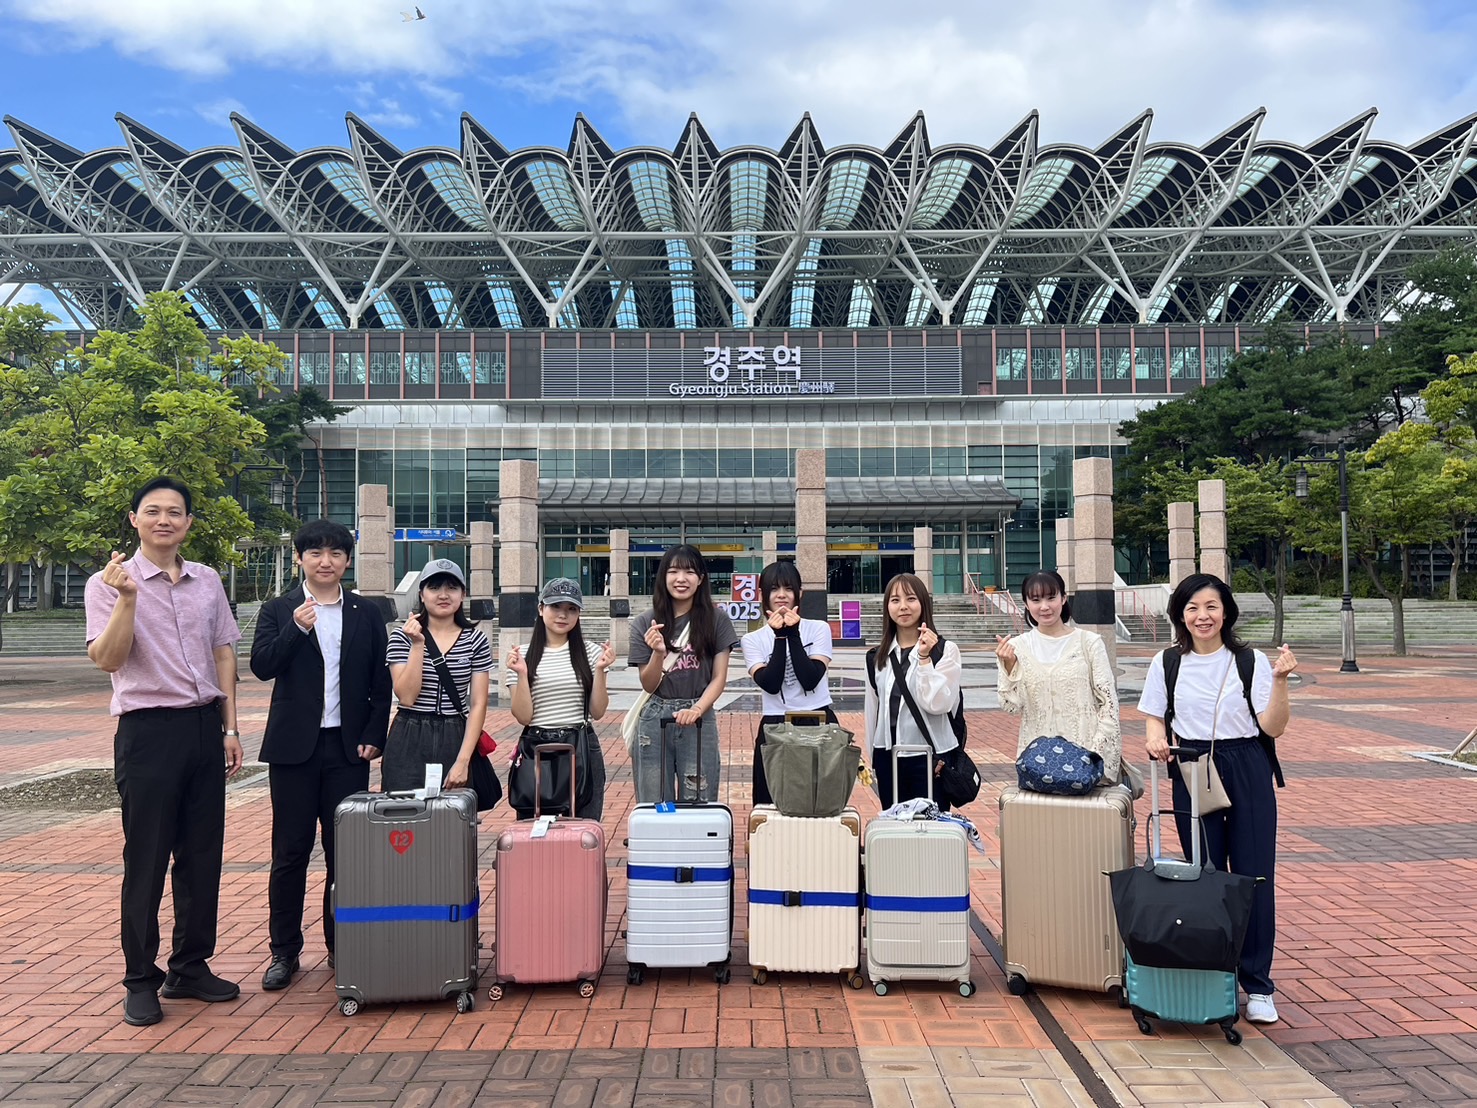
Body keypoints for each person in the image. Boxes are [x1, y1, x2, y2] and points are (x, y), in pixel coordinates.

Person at [84, 476, 243, 1028]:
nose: (164, 520)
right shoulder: (107, 583)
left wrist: (230, 728)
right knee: (147, 860)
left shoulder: (207, 580)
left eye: (175, 512)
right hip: (147, 733)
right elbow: (108, 658)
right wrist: (128, 599)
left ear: (188, 523)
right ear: (134, 520)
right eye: (152, 511)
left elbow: (223, 654)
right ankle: (139, 979)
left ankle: (190, 966)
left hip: (204, 728)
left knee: (202, 858)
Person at [1137, 572, 1296, 1026]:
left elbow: (1272, 727)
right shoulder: (1167, 661)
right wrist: (1155, 739)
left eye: (1210, 607)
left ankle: (1258, 983)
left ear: (1226, 611)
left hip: (1245, 764)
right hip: (1191, 766)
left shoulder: (1250, 660)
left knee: (1253, 874)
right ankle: (1216, 971)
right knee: (1203, 873)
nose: (1201, 616)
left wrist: (1281, 681)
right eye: (1192, 608)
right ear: (1180, 615)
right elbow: (1154, 715)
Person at [249, 519, 391, 991]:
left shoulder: (367, 612)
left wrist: (375, 735)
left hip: (348, 748)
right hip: (293, 750)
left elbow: (380, 680)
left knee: (345, 853)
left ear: (347, 561)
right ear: (299, 559)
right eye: (315, 553)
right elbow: (262, 666)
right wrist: (294, 629)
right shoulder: (279, 609)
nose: (325, 561)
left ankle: (341, 945)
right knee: (289, 853)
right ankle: (283, 952)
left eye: (334, 553)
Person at [627, 544, 739, 803]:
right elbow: (648, 683)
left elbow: (718, 677)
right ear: (663, 577)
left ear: (700, 579)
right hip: (655, 717)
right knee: (656, 802)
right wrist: (657, 652)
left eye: (689, 572)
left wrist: (698, 709)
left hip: (699, 716)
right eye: (673, 571)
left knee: (698, 800)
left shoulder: (716, 620)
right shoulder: (646, 622)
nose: (681, 579)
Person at [505, 577, 616, 820]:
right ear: (541, 608)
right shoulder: (521, 655)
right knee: (534, 830)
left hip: (581, 746)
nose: (562, 615)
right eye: (555, 606)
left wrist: (599, 671)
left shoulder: (592, 652)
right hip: (537, 747)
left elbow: (597, 712)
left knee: (584, 828)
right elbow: (523, 716)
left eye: (571, 609)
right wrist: (522, 675)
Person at [995, 570, 1121, 782]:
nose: (1044, 606)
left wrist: (1094, 755)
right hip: (1037, 763)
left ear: (1063, 598)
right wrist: (1010, 668)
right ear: (1026, 604)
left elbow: (1108, 704)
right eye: (1036, 600)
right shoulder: (1016, 648)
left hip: (1086, 757)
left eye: (1051, 597)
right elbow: (1011, 707)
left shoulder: (1089, 643)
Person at [381, 559, 493, 794]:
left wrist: (463, 761)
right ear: (421, 594)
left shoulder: (476, 640)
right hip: (409, 731)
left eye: (452, 588)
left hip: (454, 733)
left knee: (452, 819)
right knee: (405, 819)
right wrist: (417, 645)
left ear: (463, 594)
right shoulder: (402, 637)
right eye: (434, 588)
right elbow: (407, 696)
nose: (443, 595)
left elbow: (478, 703)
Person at [863, 573, 963, 808]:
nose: (903, 607)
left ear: (923, 603)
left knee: (931, 832)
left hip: (931, 758)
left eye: (911, 598)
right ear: (887, 606)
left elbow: (939, 704)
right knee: (894, 829)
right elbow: (873, 711)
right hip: (888, 756)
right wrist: (873, 758)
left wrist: (925, 659)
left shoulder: (945, 651)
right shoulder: (876, 656)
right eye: (895, 600)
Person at [740, 560, 835, 805]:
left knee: (819, 799)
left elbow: (810, 678)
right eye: (773, 589)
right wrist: (780, 636)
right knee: (770, 800)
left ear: (799, 593)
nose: (781, 595)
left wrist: (792, 633)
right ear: (762, 595)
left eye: (788, 588)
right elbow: (770, 683)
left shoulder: (818, 629)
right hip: (776, 723)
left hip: (818, 720)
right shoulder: (752, 639)